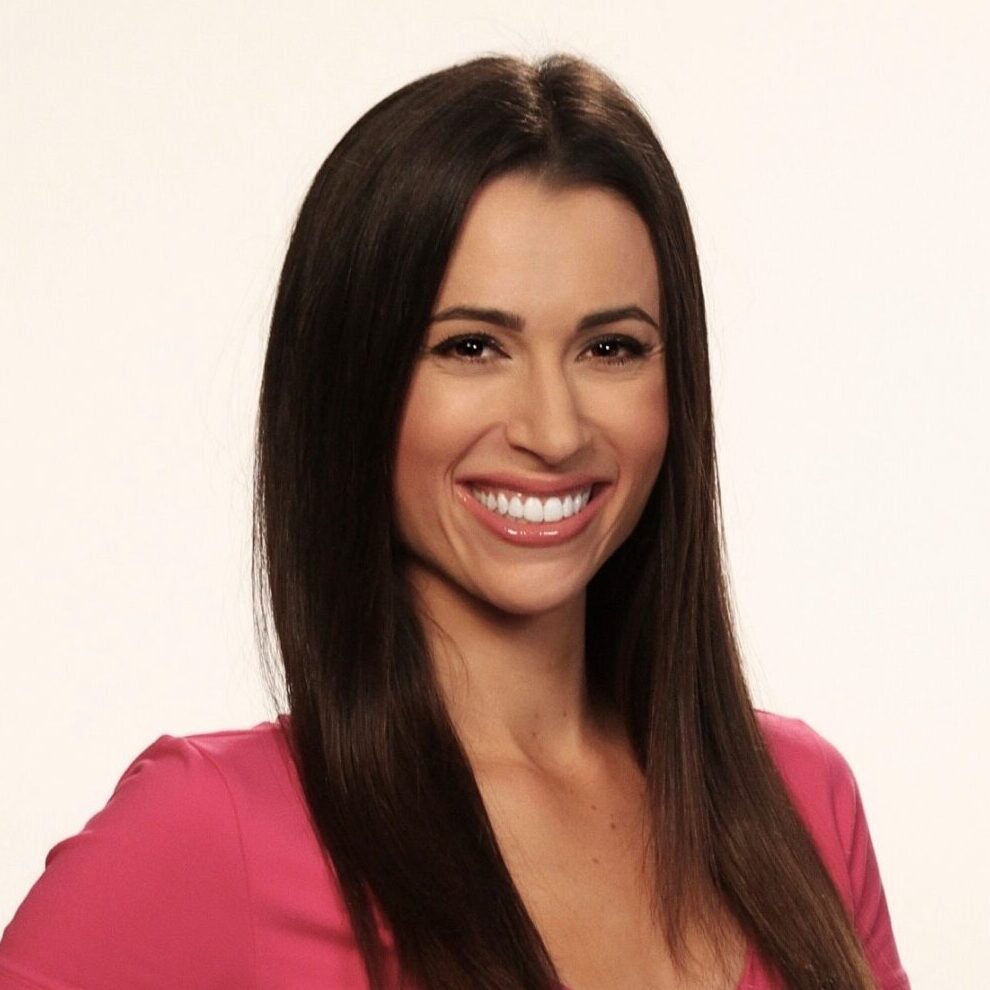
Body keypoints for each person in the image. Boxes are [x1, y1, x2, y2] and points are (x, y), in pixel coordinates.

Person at [0, 53, 910, 990]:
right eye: (472, 346)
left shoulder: (801, 802)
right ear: (351, 387)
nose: (554, 431)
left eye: (610, 348)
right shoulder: (209, 830)